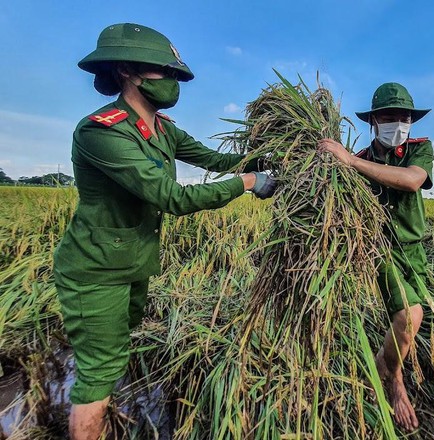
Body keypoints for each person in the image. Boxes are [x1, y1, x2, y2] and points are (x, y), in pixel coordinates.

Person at [53, 23, 276, 440]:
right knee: (98, 373)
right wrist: (248, 184)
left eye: (175, 74)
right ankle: (90, 418)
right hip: (94, 272)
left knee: (115, 348)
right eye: (163, 71)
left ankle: (102, 409)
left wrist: (271, 148)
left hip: (132, 264)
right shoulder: (102, 131)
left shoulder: (165, 129)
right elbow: (171, 197)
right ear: (127, 70)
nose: (172, 82)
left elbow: (216, 160)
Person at [318, 82, 434, 432]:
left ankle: (387, 360)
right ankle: (393, 377)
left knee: (413, 318)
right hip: (380, 250)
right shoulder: (360, 159)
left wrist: (349, 161)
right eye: (388, 117)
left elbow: (413, 181)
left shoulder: (419, 149)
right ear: (373, 122)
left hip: (414, 249)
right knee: (410, 315)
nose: (397, 124)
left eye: (404, 118)